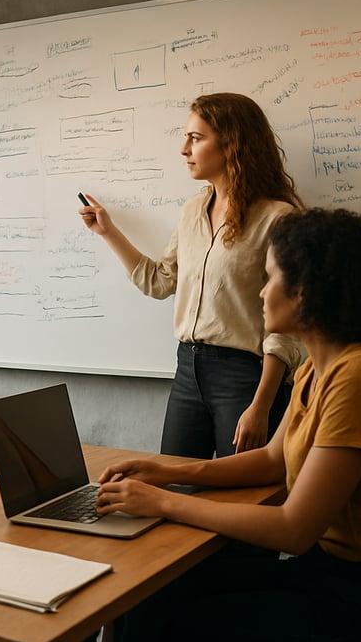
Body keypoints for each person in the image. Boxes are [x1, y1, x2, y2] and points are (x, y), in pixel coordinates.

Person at [94, 207, 361, 642]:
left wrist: (164, 503)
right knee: (145, 591)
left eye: (269, 278)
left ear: (304, 292)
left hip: (356, 596)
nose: (261, 291)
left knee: (163, 617)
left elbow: (294, 528)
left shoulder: (360, 375)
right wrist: (168, 473)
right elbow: (273, 461)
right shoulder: (314, 368)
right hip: (322, 570)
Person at [79, 92, 303, 458]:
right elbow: (159, 281)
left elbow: (287, 326)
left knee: (242, 488)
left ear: (232, 144)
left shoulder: (277, 218)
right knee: (174, 480)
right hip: (187, 369)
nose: (184, 149)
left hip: (245, 377)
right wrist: (108, 232)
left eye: (195, 138)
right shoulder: (193, 210)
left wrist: (261, 405)